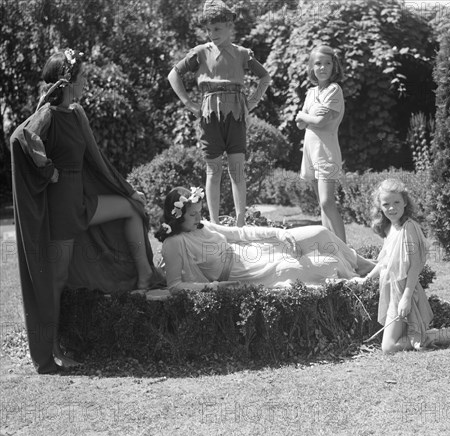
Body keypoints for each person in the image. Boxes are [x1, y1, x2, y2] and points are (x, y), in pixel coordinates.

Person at [9, 49, 163, 374]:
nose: (87, 84)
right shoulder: (49, 114)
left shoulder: (76, 113)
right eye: (83, 79)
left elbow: (98, 159)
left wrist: (127, 189)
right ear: (67, 82)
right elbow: (22, 136)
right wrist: (47, 169)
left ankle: (145, 277)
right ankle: (50, 354)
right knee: (57, 279)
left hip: (83, 200)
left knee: (131, 209)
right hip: (62, 208)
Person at [167, 0, 271, 227]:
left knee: (237, 169)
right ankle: (213, 222)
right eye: (209, 29)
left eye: (217, 28)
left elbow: (265, 77)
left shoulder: (243, 54)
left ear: (229, 26)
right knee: (213, 170)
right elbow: (173, 75)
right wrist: (189, 104)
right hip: (209, 116)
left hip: (236, 115)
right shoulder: (200, 53)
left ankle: (240, 222)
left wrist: (252, 102)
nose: (212, 34)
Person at [155, 187, 375, 293]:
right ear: (177, 215)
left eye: (199, 212)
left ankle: (369, 267)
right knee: (327, 264)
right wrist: (215, 286)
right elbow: (175, 286)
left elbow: (240, 234)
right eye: (192, 214)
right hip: (249, 273)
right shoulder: (174, 243)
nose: (198, 218)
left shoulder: (203, 225)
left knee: (320, 233)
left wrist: (278, 233)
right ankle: (372, 277)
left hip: (252, 250)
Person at [351, 179, 450, 353]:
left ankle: (436, 336)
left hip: (404, 290)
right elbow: (385, 262)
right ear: (380, 207)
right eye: (386, 204)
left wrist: (406, 298)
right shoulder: (390, 228)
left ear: (405, 202)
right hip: (392, 290)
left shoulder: (409, 228)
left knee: (389, 347)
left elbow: (415, 266)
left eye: (396, 202)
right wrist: (367, 279)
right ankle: (448, 331)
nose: (392, 208)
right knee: (395, 340)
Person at [295, 45, 347, 242]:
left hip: (326, 152)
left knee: (327, 202)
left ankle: (345, 250)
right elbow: (300, 124)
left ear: (334, 67)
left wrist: (304, 115)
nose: (323, 67)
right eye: (318, 63)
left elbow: (319, 121)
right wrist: (307, 117)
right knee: (321, 204)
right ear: (311, 67)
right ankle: (330, 247)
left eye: (327, 63)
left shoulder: (334, 90)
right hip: (310, 152)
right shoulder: (311, 93)